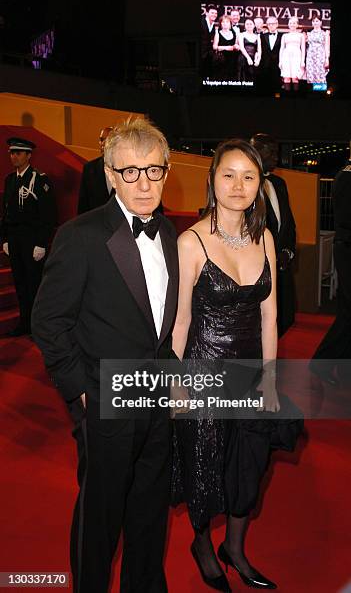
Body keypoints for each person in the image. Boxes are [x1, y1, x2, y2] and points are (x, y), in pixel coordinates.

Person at [31, 117, 179, 593]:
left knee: (150, 511)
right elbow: (49, 322)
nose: (143, 183)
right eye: (130, 172)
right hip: (105, 400)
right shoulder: (81, 236)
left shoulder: (172, 234)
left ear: (166, 171)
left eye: (153, 170)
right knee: (100, 518)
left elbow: (159, 326)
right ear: (112, 175)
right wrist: (80, 393)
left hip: (157, 402)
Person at [171, 139, 302, 592]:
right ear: (212, 180)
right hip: (203, 370)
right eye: (228, 174)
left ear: (260, 185)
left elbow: (270, 316)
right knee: (204, 467)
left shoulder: (264, 237)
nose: (238, 185)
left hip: (249, 374)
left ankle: (237, 550)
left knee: (250, 465)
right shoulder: (190, 241)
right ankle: (204, 545)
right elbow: (181, 320)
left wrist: (269, 378)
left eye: (249, 176)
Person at [0, 137, 56, 336]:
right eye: (12, 153)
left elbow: (48, 215)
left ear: (28, 155)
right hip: (14, 240)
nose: (14, 156)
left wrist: (42, 243)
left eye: (18, 153)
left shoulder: (40, 179)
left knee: (34, 285)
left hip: (32, 241)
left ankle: (37, 327)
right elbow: (5, 212)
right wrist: (4, 238)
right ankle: (24, 324)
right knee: (20, 284)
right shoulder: (10, 179)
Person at [310, 155, 351, 385]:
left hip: (346, 248)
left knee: (347, 311)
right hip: (348, 250)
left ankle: (342, 368)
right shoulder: (346, 177)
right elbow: (346, 220)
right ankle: (321, 363)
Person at [250, 133, 296, 336]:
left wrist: (288, 251)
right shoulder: (246, 184)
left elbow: (289, 223)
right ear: (256, 152)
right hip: (258, 268)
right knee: (259, 325)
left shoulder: (279, 183)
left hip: (282, 265)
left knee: (285, 318)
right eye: (271, 152)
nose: (276, 158)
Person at [77, 126, 113, 214]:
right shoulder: (89, 168)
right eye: (101, 139)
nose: (103, 143)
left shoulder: (126, 167)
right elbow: (83, 203)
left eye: (108, 140)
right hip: (96, 223)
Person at [257, 17, 283, 94]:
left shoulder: (282, 36)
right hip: (265, 64)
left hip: (277, 65)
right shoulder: (262, 36)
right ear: (267, 25)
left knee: (277, 87)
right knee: (265, 87)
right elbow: (259, 50)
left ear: (277, 24)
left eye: (273, 23)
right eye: (269, 24)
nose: (271, 25)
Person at [279, 17, 305, 91]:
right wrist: (280, 61)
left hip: (297, 57)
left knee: (295, 78)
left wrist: (302, 61)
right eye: (290, 23)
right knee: (286, 78)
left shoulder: (301, 35)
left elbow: (303, 49)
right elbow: (282, 48)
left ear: (297, 25)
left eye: (294, 23)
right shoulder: (284, 36)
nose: (292, 25)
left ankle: (295, 99)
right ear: (288, 24)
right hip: (286, 57)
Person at [305, 17, 330, 85]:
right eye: (313, 21)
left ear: (320, 22)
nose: (315, 23)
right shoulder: (309, 33)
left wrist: (327, 59)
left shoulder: (325, 33)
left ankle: (320, 94)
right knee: (310, 74)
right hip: (310, 56)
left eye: (317, 21)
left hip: (320, 56)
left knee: (320, 74)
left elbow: (327, 46)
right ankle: (311, 93)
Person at [213, 15, 238, 80]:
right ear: (220, 24)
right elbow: (214, 47)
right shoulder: (218, 33)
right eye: (223, 22)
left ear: (230, 24)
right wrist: (226, 47)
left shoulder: (234, 33)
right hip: (221, 58)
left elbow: (236, 45)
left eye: (227, 22)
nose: (225, 24)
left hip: (233, 59)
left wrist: (236, 46)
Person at [201, 4, 218, 78]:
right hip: (200, 53)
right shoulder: (201, 22)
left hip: (209, 55)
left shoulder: (214, 25)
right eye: (212, 13)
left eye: (215, 13)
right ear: (207, 13)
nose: (214, 15)